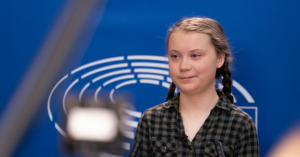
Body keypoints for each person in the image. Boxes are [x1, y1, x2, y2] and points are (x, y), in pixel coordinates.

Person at [130, 17, 259, 157]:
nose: (184, 66)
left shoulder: (241, 124)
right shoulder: (151, 120)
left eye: (195, 55)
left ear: (220, 59)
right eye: (175, 56)